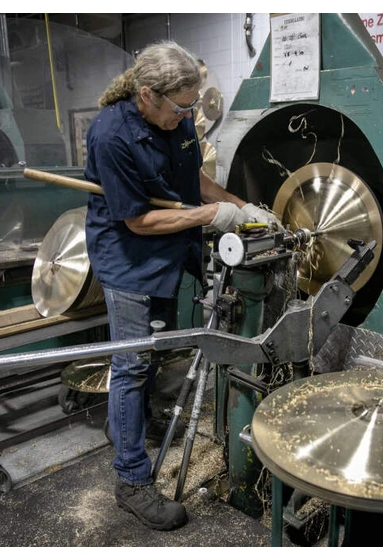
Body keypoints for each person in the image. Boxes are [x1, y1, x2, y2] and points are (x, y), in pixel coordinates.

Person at [83, 40, 277, 532]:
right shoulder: (111, 137)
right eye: (180, 108)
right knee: (131, 363)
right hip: (129, 258)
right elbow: (138, 222)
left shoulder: (179, 115)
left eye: (191, 106)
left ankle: (124, 423)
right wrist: (213, 216)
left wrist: (242, 210)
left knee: (156, 349)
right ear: (147, 95)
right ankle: (130, 480)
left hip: (170, 251)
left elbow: (194, 183)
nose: (187, 115)